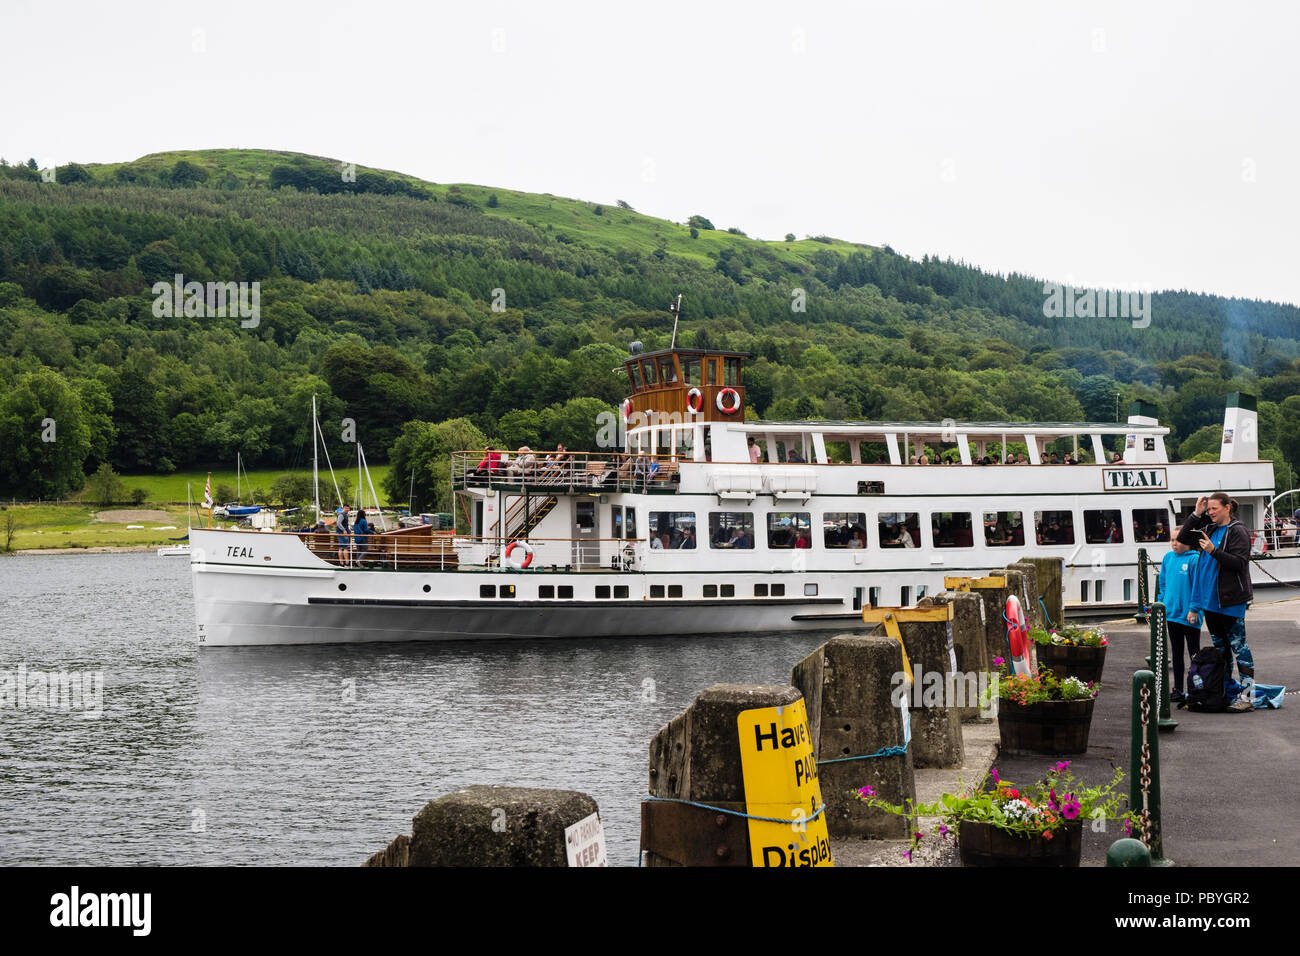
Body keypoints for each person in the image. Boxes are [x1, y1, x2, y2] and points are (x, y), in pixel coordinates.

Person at [1186, 493, 1256, 712]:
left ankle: (1247, 696)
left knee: (1239, 648)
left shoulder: (1238, 531)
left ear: (1228, 507)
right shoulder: (1210, 528)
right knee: (1221, 651)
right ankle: (1223, 691)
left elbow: (1239, 563)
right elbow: (1184, 539)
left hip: (1230, 601)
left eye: (1214, 508)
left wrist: (1213, 551)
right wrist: (1196, 513)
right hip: (1210, 601)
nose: (1211, 513)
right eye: (1209, 510)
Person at [1159, 531, 1202, 703]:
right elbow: (1163, 583)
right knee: (1176, 652)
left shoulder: (1194, 559)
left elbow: (1198, 586)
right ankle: (1177, 689)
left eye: (1178, 540)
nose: (1174, 543)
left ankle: (1196, 688)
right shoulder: (1168, 558)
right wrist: (1161, 603)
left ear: (1188, 541)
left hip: (1190, 614)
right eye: (1172, 540)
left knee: (1194, 653)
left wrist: (1194, 608)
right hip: (1172, 614)